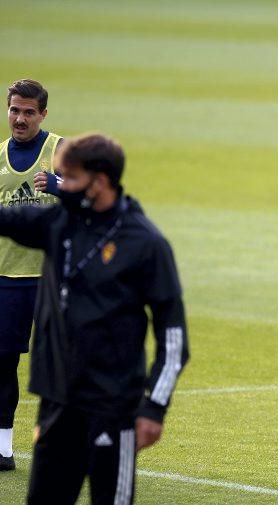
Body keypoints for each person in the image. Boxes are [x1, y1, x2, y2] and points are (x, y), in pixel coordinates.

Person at [0, 132, 189, 504]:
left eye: (68, 178)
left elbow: (172, 335)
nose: (60, 186)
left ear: (99, 182)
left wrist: (154, 407)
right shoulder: (59, 223)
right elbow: (7, 220)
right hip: (57, 403)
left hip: (113, 408)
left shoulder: (145, 243)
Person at [0, 79, 62, 471]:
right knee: (3, 363)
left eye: (28, 112)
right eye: (14, 110)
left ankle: (65, 445)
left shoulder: (61, 150)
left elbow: (97, 195)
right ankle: (3, 448)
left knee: (61, 364)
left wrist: (60, 185)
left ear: (43, 113)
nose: (19, 119)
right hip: (6, 277)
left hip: (53, 277)